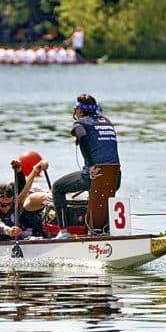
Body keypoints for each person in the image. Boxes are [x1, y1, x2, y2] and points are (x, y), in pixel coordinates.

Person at [52, 94, 120, 238]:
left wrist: (91, 166)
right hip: (115, 177)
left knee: (57, 188)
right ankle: (99, 230)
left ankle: (63, 232)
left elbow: (82, 136)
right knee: (96, 192)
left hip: (94, 175)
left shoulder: (80, 123)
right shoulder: (106, 121)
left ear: (79, 109)